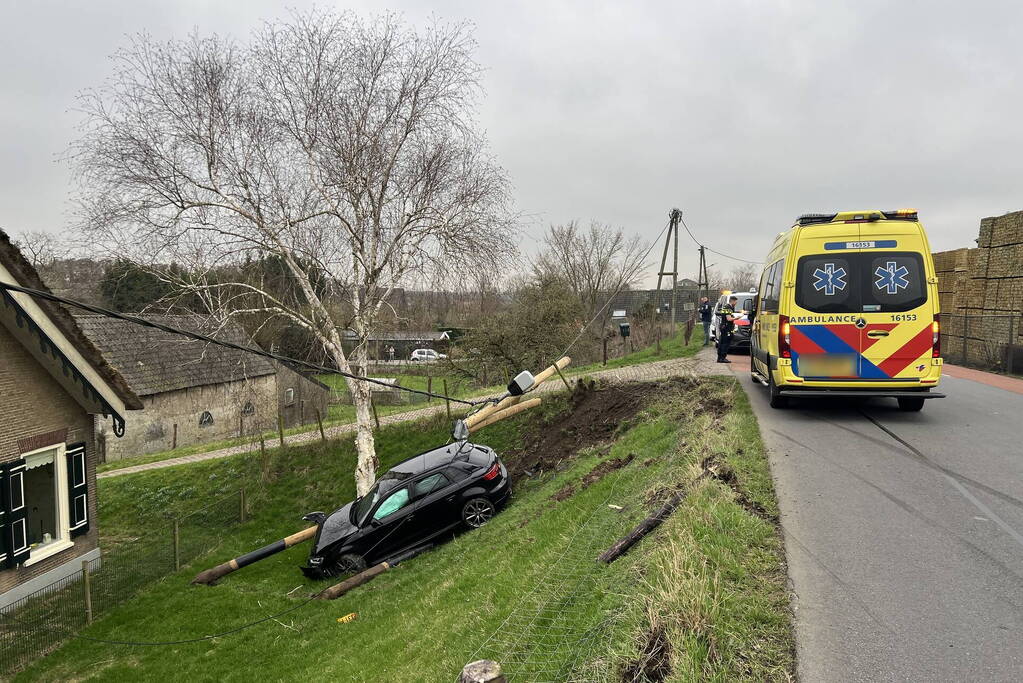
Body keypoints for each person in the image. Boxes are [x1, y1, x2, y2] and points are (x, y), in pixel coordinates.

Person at [716, 295, 738, 363]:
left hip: (725, 327)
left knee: (722, 342)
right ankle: (722, 358)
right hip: (726, 328)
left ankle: (720, 358)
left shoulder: (728, 307)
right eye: (736, 302)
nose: (736, 303)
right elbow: (729, 319)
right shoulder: (728, 308)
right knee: (725, 343)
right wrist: (737, 318)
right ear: (732, 301)